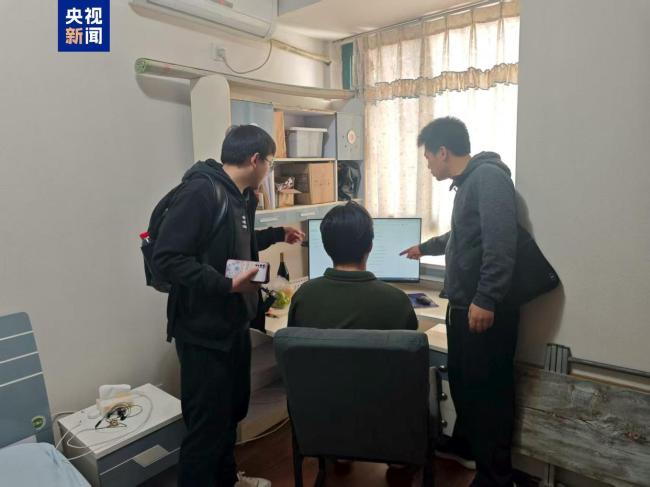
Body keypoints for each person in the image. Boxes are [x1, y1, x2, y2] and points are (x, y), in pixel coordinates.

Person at [153, 125, 304, 487]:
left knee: (231, 413)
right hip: (203, 334)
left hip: (233, 326)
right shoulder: (201, 192)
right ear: (255, 160)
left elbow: (235, 242)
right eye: (270, 163)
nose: (269, 170)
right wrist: (225, 284)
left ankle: (226, 480)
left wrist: (276, 235)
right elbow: (167, 258)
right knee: (206, 427)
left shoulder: (240, 196)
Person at [401, 117, 518, 487]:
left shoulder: (488, 178)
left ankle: (495, 478)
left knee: (488, 396)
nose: (428, 166)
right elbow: (463, 235)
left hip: (482, 310)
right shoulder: (469, 183)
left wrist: (486, 298)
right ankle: (469, 449)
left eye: (427, 158)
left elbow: (501, 243)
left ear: (442, 152)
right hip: (465, 308)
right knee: (466, 386)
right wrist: (426, 248)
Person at [289, 201, 417, 331]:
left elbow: (292, 339)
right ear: (370, 246)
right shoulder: (398, 301)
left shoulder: (303, 296)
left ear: (325, 247)